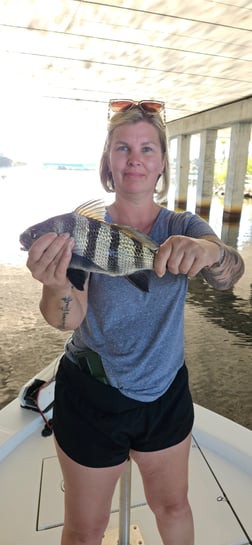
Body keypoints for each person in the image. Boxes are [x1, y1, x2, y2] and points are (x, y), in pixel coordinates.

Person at [26, 99, 244, 545]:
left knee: (174, 506)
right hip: (92, 395)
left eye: (147, 149)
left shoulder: (182, 224)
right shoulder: (81, 228)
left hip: (164, 393)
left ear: (162, 161)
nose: (135, 159)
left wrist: (210, 252)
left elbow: (231, 274)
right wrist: (57, 287)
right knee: (85, 530)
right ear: (108, 160)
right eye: (123, 148)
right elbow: (66, 319)